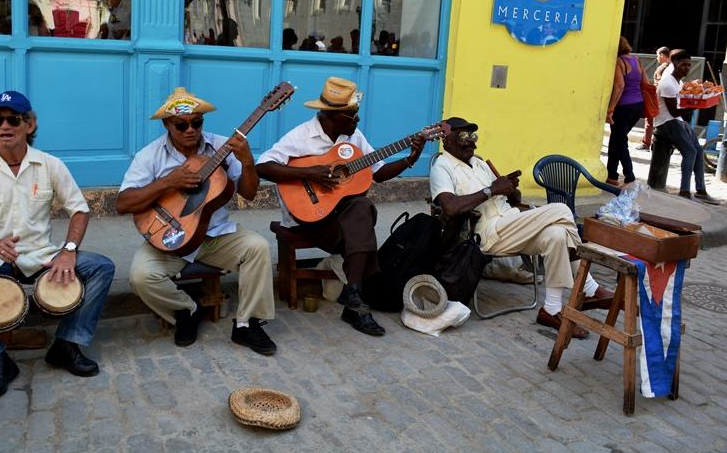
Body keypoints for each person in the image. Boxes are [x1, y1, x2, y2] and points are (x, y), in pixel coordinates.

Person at [0, 91, 115, 401]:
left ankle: (66, 345)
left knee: (101, 267)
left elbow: (80, 209)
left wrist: (68, 250)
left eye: (13, 119)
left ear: (30, 124)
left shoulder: (50, 165)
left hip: (42, 256)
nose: (5, 126)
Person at [256, 77, 425, 336]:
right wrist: (309, 173)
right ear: (331, 116)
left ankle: (353, 293)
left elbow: (378, 173)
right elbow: (263, 166)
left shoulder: (353, 136)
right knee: (361, 225)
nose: (357, 120)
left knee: (362, 207)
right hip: (307, 217)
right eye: (352, 115)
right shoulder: (302, 135)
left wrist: (409, 160)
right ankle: (357, 303)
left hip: (340, 217)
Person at [116, 87, 277, 354]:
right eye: (181, 125)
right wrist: (167, 182)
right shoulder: (150, 155)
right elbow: (123, 204)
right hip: (169, 238)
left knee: (258, 247)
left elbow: (249, 194)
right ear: (167, 125)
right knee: (140, 276)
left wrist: (248, 162)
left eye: (197, 122)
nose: (190, 130)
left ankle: (247, 324)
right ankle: (186, 311)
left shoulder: (224, 147)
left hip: (215, 236)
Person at [430, 117, 614, 339]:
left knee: (557, 234)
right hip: (484, 232)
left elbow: (513, 201)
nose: (471, 141)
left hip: (511, 221)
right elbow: (450, 207)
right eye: (463, 136)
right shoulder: (442, 166)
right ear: (447, 140)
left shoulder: (479, 163)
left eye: (473, 136)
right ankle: (590, 288)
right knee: (562, 210)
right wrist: (491, 190)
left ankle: (551, 309)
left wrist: (509, 189)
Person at [654, 50, 721, 204]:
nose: (687, 68)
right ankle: (684, 191)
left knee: (698, 150)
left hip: (677, 121)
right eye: (683, 65)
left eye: (689, 65)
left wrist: (700, 90)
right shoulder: (668, 83)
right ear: (674, 64)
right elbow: (673, 111)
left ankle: (701, 190)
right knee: (690, 151)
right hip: (666, 122)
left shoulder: (679, 82)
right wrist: (698, 105)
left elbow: (683, 102)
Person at [605, 36, 647, 187]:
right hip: (638, 105)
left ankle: (629, 175)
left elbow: (619, 86)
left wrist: (610, 109)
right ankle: (612, 175)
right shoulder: (637, 60)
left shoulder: (619, 62)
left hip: (623, 106)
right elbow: (645, 83)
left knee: (620, 140)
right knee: (616, 139)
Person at [638, 46, 671, 151]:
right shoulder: (671, 66)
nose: (657, 58)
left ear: (661, 55)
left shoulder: (664, 67)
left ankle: (646, 143)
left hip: (657, 98)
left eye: (657, 56)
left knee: (650, 120)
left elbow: (662, 83)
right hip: (665, 98)